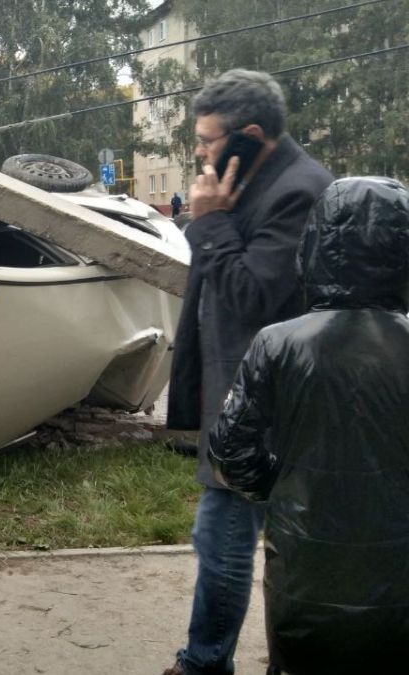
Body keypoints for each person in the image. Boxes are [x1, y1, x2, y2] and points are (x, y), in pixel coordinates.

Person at [163, 69, 333, 675]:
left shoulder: (299, 190)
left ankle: (204, 663)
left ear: (250, 134)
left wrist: (207, 221)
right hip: (238, 395)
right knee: (228, 538)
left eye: (207, 140)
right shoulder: (256, 178)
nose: (200, 152)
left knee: (224, 540)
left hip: (264, 405)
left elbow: (254, 299)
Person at [208, 177, 409, 674]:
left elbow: (231, 451)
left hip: (305, 549)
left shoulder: (278, 343)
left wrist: (286, 486)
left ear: (317, 244)